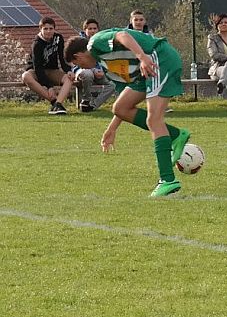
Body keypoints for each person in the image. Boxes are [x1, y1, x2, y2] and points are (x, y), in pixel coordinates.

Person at [64, 29, 192, 197]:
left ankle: (167, 180)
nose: (81, 68)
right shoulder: (107, 66)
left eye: (78, 64)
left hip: (158, 58)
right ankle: (176, 135)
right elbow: (125, 101)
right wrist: (111, 129)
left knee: (154, 120)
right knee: (120, 108)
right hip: (147, 69)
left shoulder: (94, 43)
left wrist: (142, 57)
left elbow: (122, 35)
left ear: (78, 56)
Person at [20, 17, 73, 115]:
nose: (48, 31)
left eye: (51, 28)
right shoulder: (36, 44)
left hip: (52, 70)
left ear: (54, 29)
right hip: (37, 71)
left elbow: (62, 58)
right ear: (40, 29)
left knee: (69, 78)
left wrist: (68, 70)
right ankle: (54, 102)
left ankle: (58, 104)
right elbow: (38, 68)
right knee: (25, 76)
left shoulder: (58, 38)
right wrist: (49, 87)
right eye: (45, 29)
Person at [73, 18, 115, 112]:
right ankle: (86, 100)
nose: (92, 31)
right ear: (85, 30)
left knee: (113, 84)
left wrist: (102, 71)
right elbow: (77, 62)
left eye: (95, 28)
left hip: (99, 72)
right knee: (88, 74)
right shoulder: (79, 42)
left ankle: (92, 105)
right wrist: (93, 70)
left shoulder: (101, 42)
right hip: (81, 71)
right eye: (90, 29)